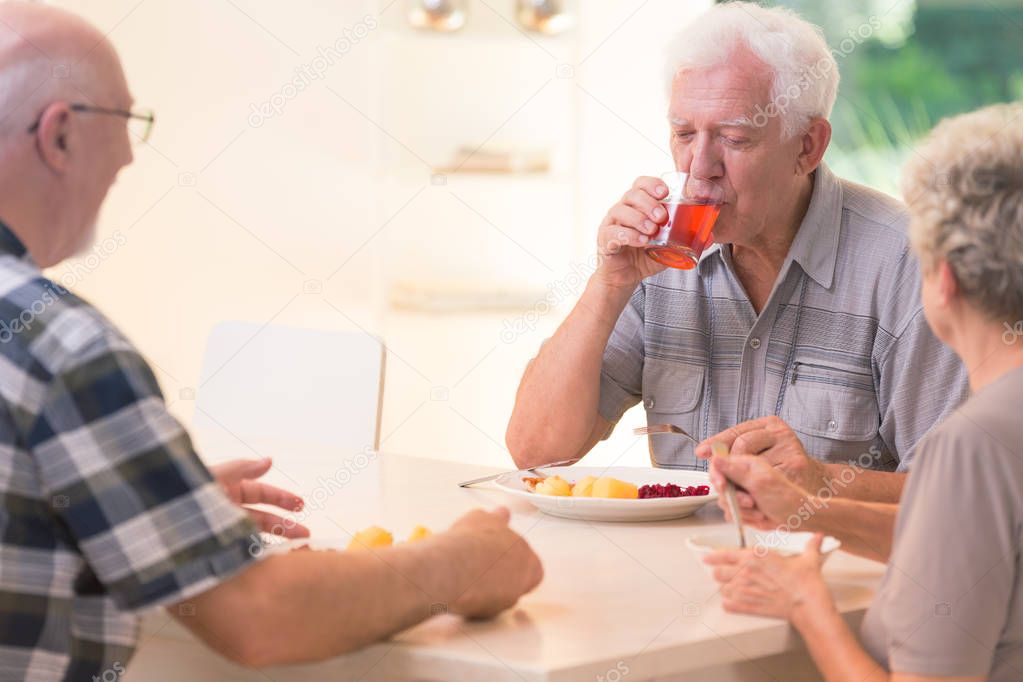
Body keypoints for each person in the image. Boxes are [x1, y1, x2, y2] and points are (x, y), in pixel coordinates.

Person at [0, 3, 542, 679]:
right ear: (58, 138)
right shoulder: (62, 348)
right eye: (125, 120)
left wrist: (163, 511)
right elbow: (259, 618)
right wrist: (461, 561)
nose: (132, 154)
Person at [506, 1, 967, 507]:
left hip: (832, 579)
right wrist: (608, 284)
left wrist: (818, 484)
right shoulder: (656, 257)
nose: (699, 167)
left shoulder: (909, 263)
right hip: (680, 570)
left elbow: (964, 497)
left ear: (808, 147)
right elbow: (536, 451)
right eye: (684, 134)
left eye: (734, 138)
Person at [706, 102, 1023, 681]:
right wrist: (810, 510)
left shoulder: (972, 444)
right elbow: (965, 542)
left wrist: (806, 604)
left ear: (944, 280)